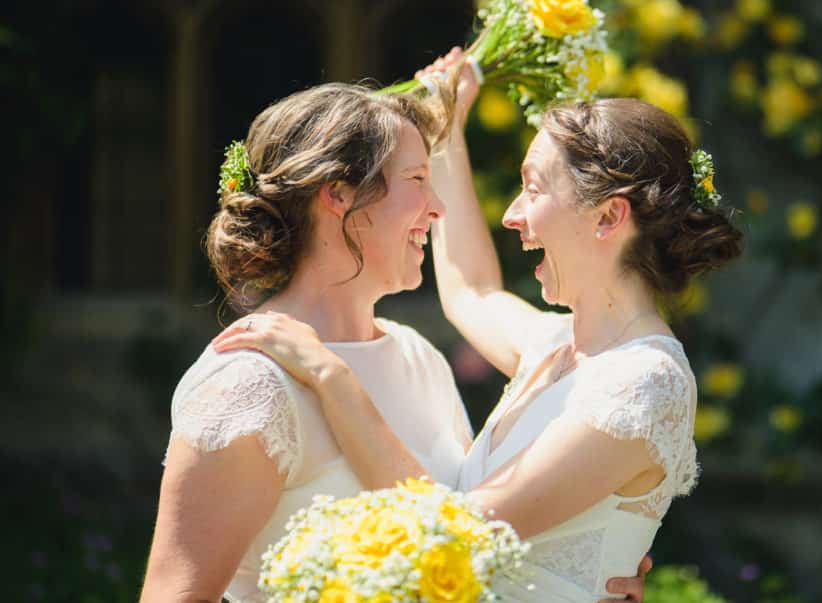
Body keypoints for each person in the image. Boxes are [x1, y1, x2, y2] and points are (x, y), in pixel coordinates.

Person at [214, 50, 743, 601]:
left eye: (534, 189)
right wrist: (447, 126)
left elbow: (452, 536)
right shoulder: (555, 343)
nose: (512, 214)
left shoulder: (643, 384)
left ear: (609, 216)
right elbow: (472, 290)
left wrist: (330, 375)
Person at [139, 79, 650, 603]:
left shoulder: (418, 358)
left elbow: (467, 541)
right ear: (338, 193)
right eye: (417, 179)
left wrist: (579, 573)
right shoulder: (247, 383)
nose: (437, 208)